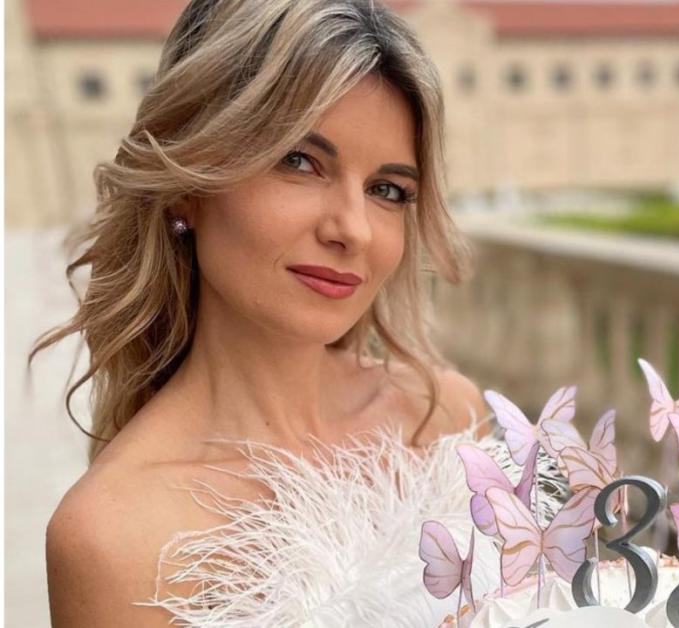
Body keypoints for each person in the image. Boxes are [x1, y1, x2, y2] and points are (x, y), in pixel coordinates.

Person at [32, 1, 488, 624]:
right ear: (188, 186)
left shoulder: (446, 418)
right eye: (299, 161)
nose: (353, 229)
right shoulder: (116, 536)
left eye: (387, 190)